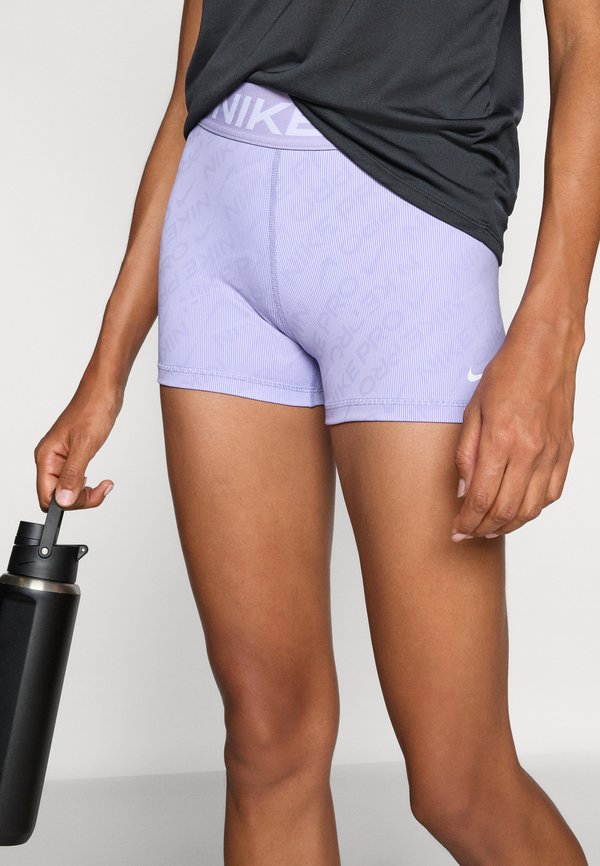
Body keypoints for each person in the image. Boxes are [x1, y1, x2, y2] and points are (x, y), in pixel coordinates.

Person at [33, 0, 599, 863]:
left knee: (459, 782)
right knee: (266, 746)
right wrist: (103, 373)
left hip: (410, 225)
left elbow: (585, 39)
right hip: (217, 230)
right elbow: (194, 74)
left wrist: (554, 337)